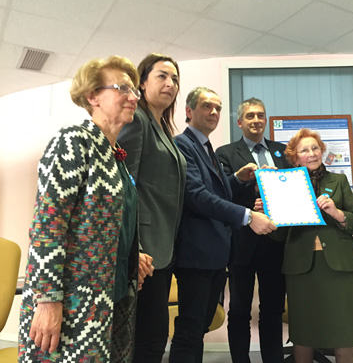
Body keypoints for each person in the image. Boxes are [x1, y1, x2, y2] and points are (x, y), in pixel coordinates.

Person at [18, 55, 154, 362]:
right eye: (122, 88)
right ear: (93, 96)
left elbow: (114, 219)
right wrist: (47, 300)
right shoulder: (74, 141)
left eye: (134, 90)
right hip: (71, 303)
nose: (134, 96)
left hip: (109, 298)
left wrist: (135, 253)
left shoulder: (115, 155)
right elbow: (47, 226)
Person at [169, 87, 277, 363]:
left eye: (217, 108)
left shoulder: (206, 148)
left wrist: (237, 179)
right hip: (198, 253)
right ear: (189, 112)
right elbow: (197, 196)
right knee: (191, 328)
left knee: (198, 326)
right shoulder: (183, 145)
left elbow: (215, 193)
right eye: (207, 106)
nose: (214, 112)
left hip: (216, 254)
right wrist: (249, 216)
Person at [256, 128, 353, 363]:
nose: (311, 153)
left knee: (344, 329)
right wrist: (267, 215)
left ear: (322, 151)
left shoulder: (338, 181)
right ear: (295, 158)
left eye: (315, 148)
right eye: (304, 150)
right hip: (302, 269)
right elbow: (279, 237)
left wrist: (338, 213)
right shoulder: (283, 186)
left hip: (340, 268)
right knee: (304, 331)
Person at [117, 53, 186, 363]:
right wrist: (137, 246)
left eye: (174, 79)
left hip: (163, 246)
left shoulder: (162, 127)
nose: (170, 84)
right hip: (144, 250)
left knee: (154, 334)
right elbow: (125, 187)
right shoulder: (137, 121)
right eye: (161, 76)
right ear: (141, 83)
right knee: (148, 336)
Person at [215, 97, 289, 363]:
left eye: (260, 115)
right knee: (239, 311)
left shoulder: (283, 151)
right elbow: (221, 194)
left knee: (272, 309)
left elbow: (293, 190)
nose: (256, 120)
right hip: (242, 243)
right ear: (239, 122)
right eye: (250, 116)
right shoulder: (224, 153)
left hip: (277, 241)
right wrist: (253, 197)